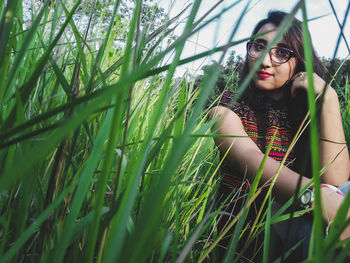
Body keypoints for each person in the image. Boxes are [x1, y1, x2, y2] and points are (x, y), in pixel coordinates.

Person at [209, 10, 350, 262]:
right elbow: (249, 156)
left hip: (304, 222)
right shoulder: (226, 109)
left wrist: (329, 100)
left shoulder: (307, 113)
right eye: (258, 47)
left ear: (300, 61)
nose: (265, 60)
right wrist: (315, 198)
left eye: (282, 52)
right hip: (251, 233)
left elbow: (336, 179)